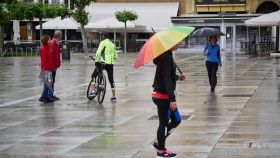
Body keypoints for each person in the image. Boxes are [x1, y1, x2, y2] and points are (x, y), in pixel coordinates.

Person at [151, 44, 186, 158]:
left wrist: (177, 77)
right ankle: (161, 151)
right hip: (163, 97)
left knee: (176, 120)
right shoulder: (166, 57)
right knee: (164, 123)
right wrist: (172, 99)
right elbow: (166, 79)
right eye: (177, 42)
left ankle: (158, 143)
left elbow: (167, 75)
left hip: (164, 95)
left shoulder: (167, 56)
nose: (179, 44)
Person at [89, 31, 118, 102]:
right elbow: (116, 56)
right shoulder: (112, 44)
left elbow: (98, 53)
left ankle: (93, 91)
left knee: (93, 76)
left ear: (102, 37)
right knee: (111, 80)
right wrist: (111, 61)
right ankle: (114, 96)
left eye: (100, 36)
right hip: (110, 64)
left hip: (102, 63)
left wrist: (96, 61)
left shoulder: (103, 43)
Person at [39, 35, 54, 103]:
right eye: (49, 40)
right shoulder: (43, 48)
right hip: (46, 69)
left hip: (49, 68)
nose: (50, 41)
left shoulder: (48, 47)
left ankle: (46, 97)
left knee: (48, 84)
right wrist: (44, 70)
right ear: (46, 40)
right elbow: (43, 60)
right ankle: (42, 96)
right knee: (48, 83)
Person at [49, 30, 62, 101]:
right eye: (61, 36)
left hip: (54, 66)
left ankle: (51, 94)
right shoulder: (53, 43)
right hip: (52, 66)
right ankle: (50, 95)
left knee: (52, 81)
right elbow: (50, 55)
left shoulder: (55, 43)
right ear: (59, 36)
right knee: (51, 81)